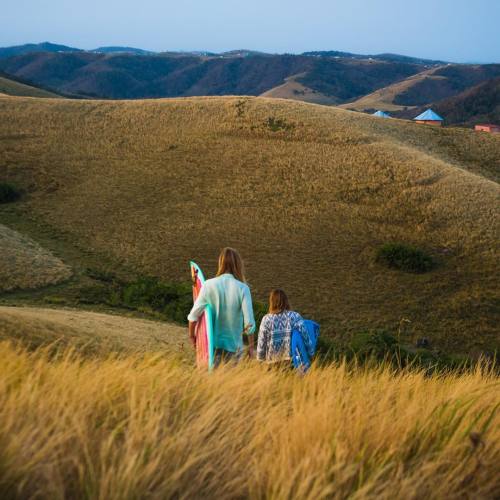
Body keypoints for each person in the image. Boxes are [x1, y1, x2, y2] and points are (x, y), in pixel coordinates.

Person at [188, 248, 255, 366]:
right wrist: (250, 348)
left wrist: (192, 336)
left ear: (221, 263)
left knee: (211, 382)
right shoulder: (243, 288)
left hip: (211, 345)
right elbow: (249, 323)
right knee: (230, 383)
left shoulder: (208, 285)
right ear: (238, 265)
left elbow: (193, 316)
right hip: (234, 348)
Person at [257, 289, 313, 366]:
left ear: (271, 302)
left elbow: (261, 342)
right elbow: (305, 336)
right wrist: (311, 352)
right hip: (292, 363)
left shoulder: (266, 319)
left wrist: (260, 360)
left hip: (272, 364)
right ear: (286, 301)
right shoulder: (295, 316)